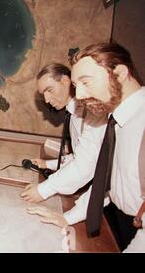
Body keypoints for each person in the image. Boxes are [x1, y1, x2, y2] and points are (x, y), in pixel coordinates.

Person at [27, 43, 145, 252]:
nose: (79, 95)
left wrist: (47, 190)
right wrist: (68, 217)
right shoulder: (115, 120)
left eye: (85, 82)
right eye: (76, 85)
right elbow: (104, 181)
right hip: (119, 218)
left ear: (120, 73)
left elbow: (87, 164)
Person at [21, 63, 106, 203]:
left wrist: (44, 189)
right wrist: (47, 164)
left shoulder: (91, 110)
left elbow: (86, 163)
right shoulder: (73, 113)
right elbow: (80, 154)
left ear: (66, 81)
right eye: (44, 95)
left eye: (50, 90)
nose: (47, 100)